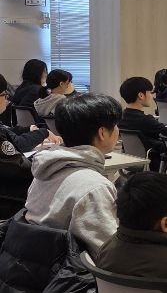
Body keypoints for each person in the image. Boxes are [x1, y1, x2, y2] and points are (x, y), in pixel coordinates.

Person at [25, 94, 122, 256]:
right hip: (67, 268)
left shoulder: (45, 170)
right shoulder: (94, 187)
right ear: (102, 133)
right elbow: (107, 253)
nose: (118, 130)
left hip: (35, 262)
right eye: (116, 125)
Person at [0, 74, 57, 218]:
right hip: (11, 203)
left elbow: (9, 134)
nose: (7, 98)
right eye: (4, 94)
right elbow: (20, 167)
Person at [119, 77, 167, 171]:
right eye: (150, 92)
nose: (152, 96)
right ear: (141, 95)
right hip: (151, 162)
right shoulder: (146, 120)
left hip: (128, 159)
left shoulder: (120, 117)